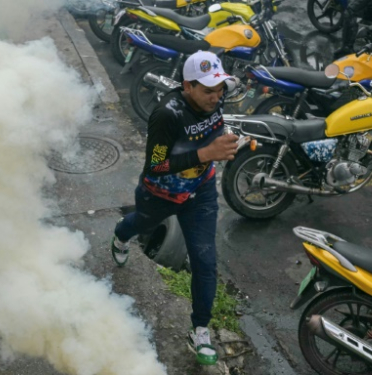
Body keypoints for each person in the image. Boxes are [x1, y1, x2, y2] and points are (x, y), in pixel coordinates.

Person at [109, 51, 239, 366]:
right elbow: (155, 166)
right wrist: (207, 152)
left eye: (219, 88)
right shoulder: (167, 114)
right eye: (208, 90)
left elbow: (219, 127)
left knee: (205, 260)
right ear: (187, 86)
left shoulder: (217, 98)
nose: (216, 96)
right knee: (139, 223)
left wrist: (233, 143)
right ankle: (120, 235)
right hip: (160, 194)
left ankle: (200, 330)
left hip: (202, 192)